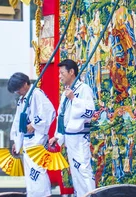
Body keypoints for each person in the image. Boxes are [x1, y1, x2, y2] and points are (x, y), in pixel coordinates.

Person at [49, 59, 96, 197]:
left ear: (71, 72)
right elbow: (62, 115)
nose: (59, 76)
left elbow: (90, 112)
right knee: (75, 172)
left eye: (62, 73)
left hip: (80, 137)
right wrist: (58, 135)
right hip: (69, 137)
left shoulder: (83, 89)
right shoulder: (67, 92)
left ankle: (90, 195)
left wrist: (74, 100)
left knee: (83, 169)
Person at [8, 72, 56, 197]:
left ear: (25, 84)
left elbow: (49, 112)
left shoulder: (36, 94)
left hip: (38, 139)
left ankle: (44, 195)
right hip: (27, 141)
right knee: (30, 171)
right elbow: (18, 121)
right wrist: (16, 141)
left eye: (18, 89)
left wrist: (34, 125)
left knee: (38, 169)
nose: (17, 92)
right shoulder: (22, 99)